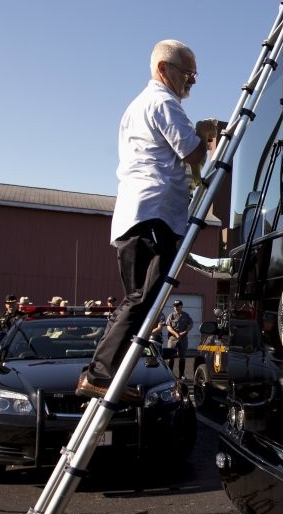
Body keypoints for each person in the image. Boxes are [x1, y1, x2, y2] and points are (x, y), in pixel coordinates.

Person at [77, 39, 220, 404]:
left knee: (137, 299)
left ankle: (102, 373)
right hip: (154, 213)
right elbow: (190, 152)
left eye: (194, 74)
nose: (191, 81)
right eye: (187, 73)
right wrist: (205, 132)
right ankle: (99, 373)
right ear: (163, 69)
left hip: (138, 213)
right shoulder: (163, 101)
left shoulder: (139, 106)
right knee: (145, 298)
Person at [164, 299, 193, 379]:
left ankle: (181, 375)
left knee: (182, 357)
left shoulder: (186, 315)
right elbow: (168, 327)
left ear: (181, 306)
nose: (175, 308)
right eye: (174, 306)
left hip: (183, 338)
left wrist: (185, 332)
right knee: (170, 356)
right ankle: (169, 375)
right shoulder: (171, 315)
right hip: (173, 338)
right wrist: (176, 334)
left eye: (177, 306)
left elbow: (191, 324)